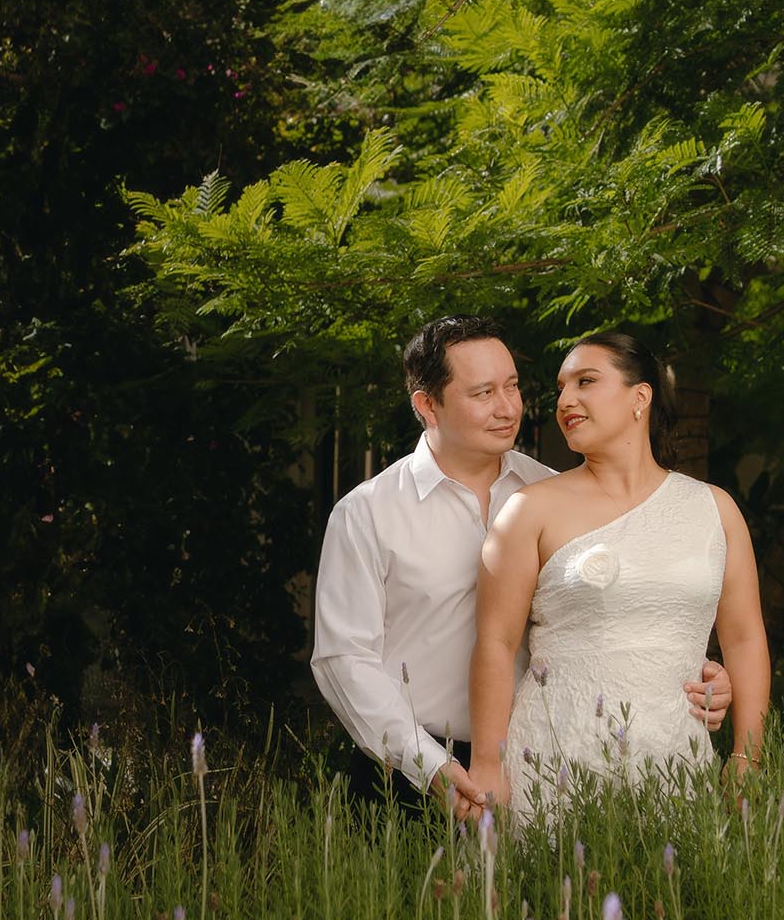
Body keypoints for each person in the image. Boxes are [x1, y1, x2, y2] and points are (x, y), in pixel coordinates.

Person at [310, 316, 733, 821]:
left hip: (539, 766)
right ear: (427, 405)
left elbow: (608, 616)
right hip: (406, 772)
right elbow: (344, 660)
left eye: (512, 386)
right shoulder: (368, 513)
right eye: (483, 393)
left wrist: (689, 674)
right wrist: (429, 764)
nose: (509, 408)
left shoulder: (555, 494)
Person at [468, 332, 769, 821]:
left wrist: (746, 755)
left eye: (585, 382)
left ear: (640, 397)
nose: (566, 400)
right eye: (561, 388)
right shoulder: (529, 510)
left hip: (676, 756)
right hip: (555, 758)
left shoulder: (714, 509)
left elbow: (745, 638)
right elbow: (495, 644)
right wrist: (487, 763)